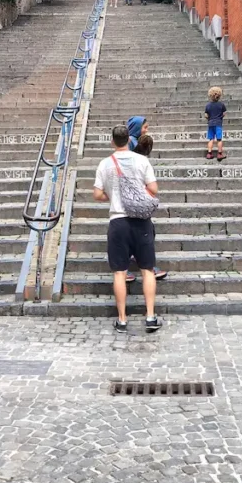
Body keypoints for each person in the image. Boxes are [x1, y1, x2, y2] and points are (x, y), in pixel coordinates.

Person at [93, 125, 163, 334]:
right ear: (129, 141)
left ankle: (122, 320)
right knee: (147, 270)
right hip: (141, 221)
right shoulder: (141, 160)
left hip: (118, 222)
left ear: (112, 141)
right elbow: (154, 189)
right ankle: (150, 316)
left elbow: (97, 194)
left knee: (119, 273)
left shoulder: (105, 164)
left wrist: (114, 196)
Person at [130, 135, 169, 283]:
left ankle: (126, 268)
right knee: (146, 233)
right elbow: (153, 188)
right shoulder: (143, 161)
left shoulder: (125, 158)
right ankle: (148, 268)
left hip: (124, 203)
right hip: (138, 204)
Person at [204, 87, 228, 161]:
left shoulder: (208, 105)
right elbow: (224, 113)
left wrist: (209, 118)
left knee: (211, 139)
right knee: (219, 139)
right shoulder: (221, 105)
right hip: (218, 123)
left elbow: (206, 115)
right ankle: (220, 154)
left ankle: (209, 153)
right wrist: (220, 117)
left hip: (211, 123)